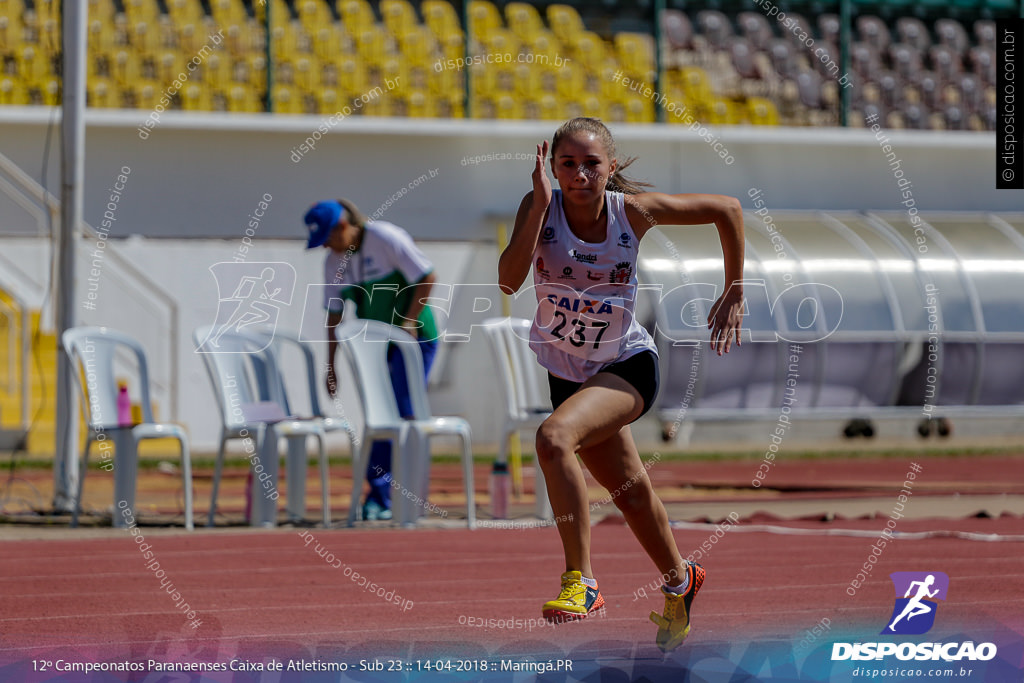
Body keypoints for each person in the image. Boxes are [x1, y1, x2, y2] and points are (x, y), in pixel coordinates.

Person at [497, 117, 744, 652]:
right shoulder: (539, 207)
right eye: (568, 164)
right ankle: (681, 579)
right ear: (552, 168)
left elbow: (727, 208)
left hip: (626, 365)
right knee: (630, 494)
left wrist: (734, 290)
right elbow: (508, 281)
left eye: (592, 164)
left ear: (611, 168)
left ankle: (580, 582)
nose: (580, 174)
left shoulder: (630, 212)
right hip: (568, 373)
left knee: (553, 439)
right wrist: (538, 206)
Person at [304, 198, 438, 521]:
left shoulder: (386, 238)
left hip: (415, 340)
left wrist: (407, 323)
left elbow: (427, 277)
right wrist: (330, 365)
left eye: (327, 237)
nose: (325, 246)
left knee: (404, 412)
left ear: (343, 226)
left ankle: (407, 497)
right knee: (380, 417)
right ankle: (379, 497)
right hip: (377, 345)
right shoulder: (333, 262)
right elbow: (334, 316)